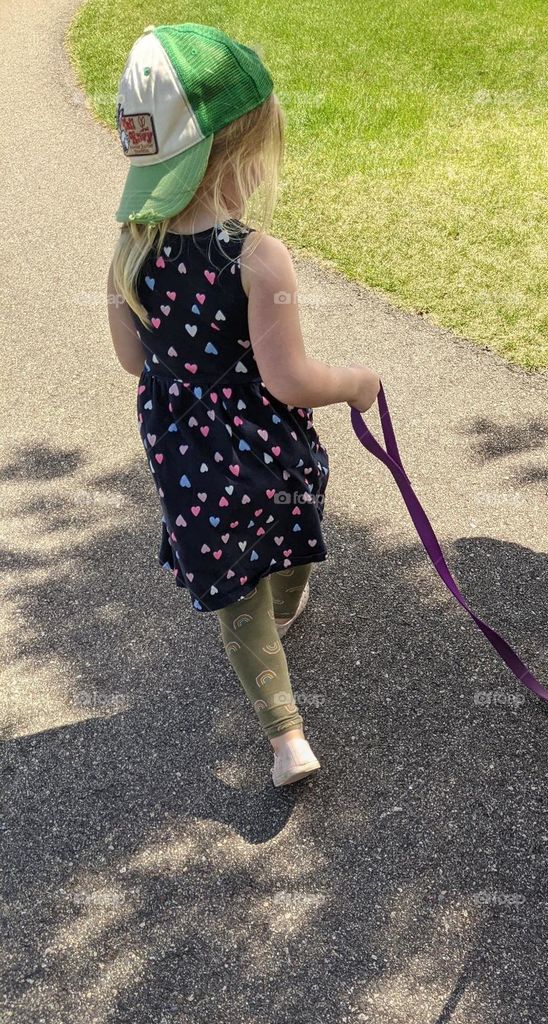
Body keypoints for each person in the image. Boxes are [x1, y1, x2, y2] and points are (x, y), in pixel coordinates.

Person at [105, 23, 379, 785]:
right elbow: (289, 381)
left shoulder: (132, 246)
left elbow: (133, 360)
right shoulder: (256, 256)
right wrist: (357, 382)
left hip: (187, 461)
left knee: (233, 589)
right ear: (237, 153)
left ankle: (286, 738)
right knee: (294, 509)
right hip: (267, 447)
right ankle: (292, 602)